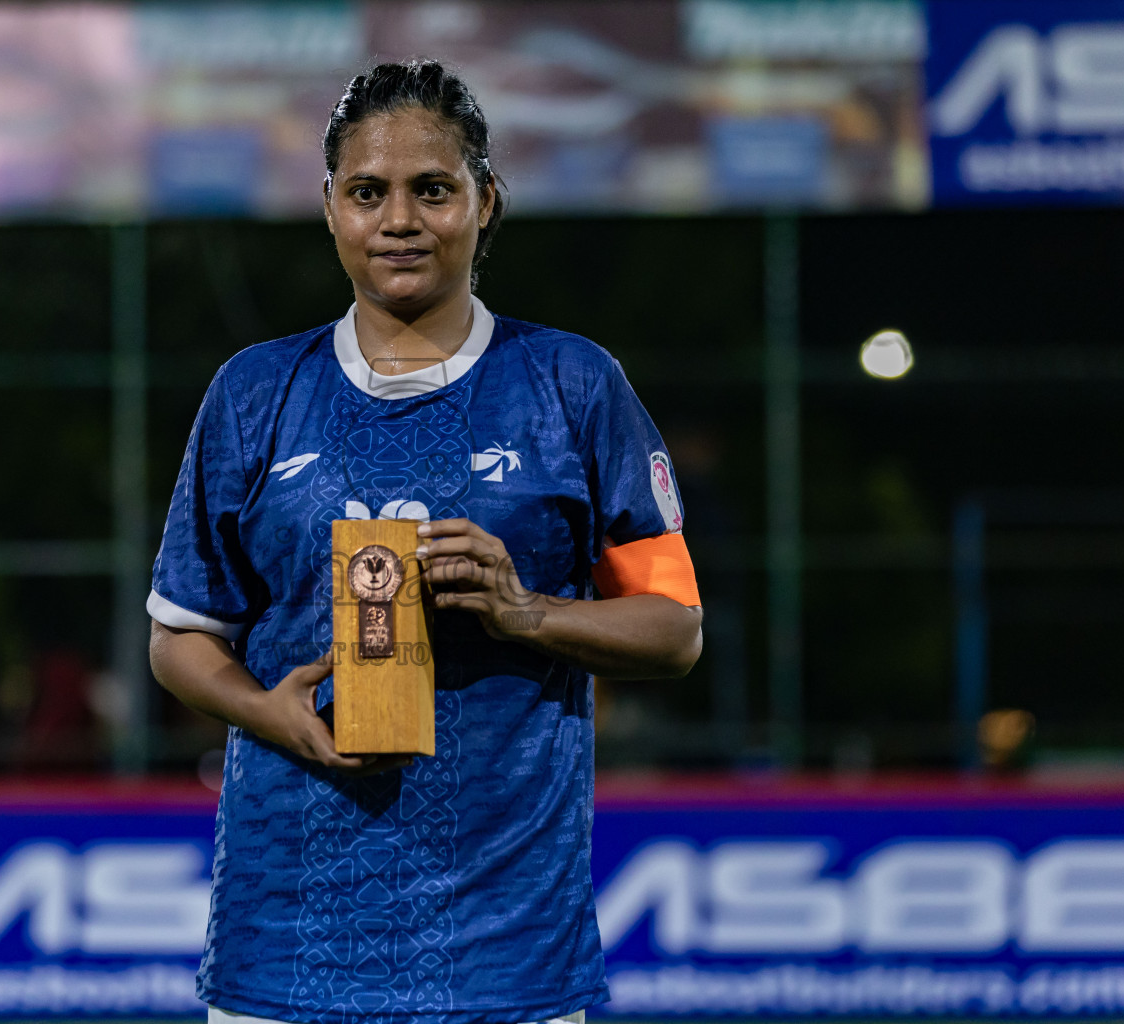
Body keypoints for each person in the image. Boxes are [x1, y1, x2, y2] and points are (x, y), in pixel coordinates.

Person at [148, 60, 703, 1024]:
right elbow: (180, 636)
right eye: (368, 192)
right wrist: (267, 713)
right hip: (286, 948)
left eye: (432, 190)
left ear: (486, 201)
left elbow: (675, 628)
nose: (399, 220)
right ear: (330, 209)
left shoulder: (572, 385)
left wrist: (527, 612)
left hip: (509, 957)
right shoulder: (253, 393)